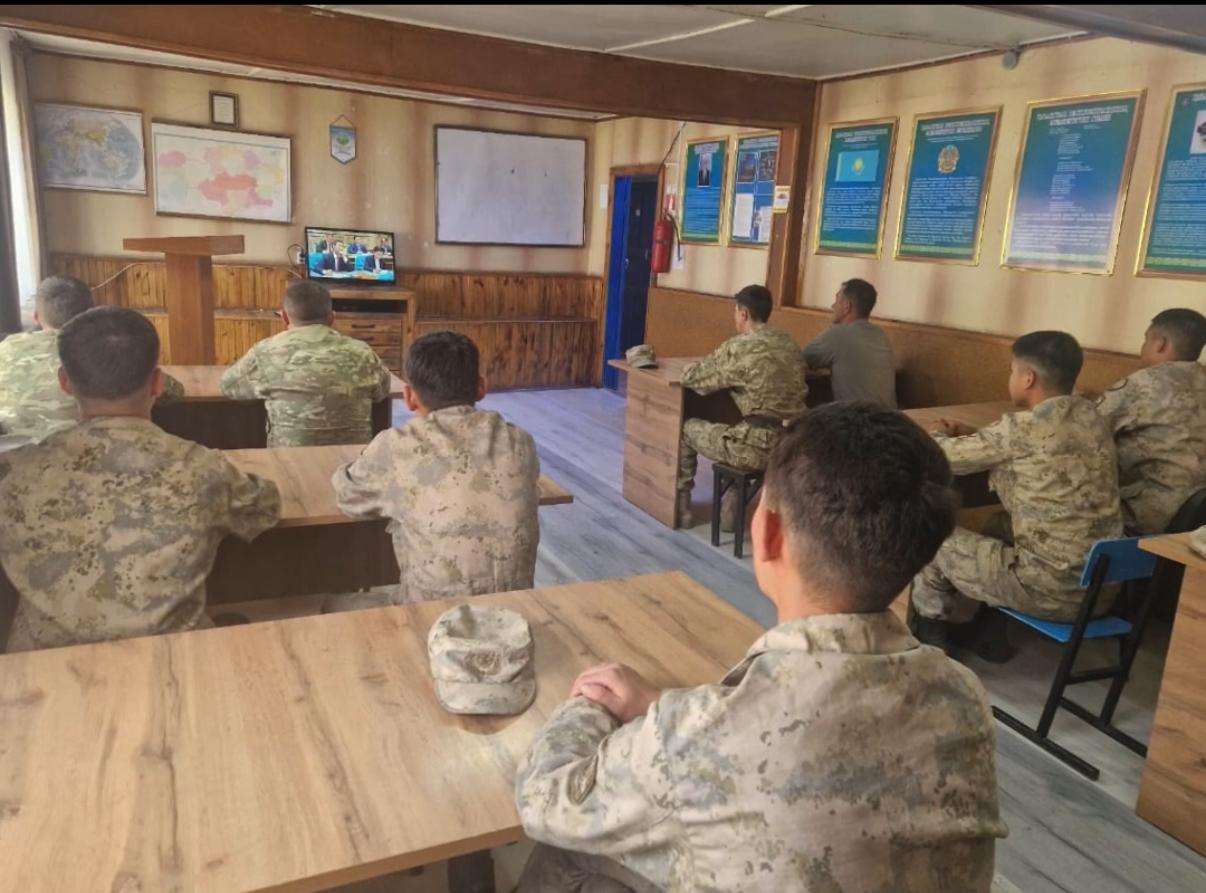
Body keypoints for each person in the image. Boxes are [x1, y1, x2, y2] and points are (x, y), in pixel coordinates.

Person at [514, 402, 1007, 892]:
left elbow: (544, 801)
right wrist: (664, 706)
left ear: (768, 533)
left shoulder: (697, 739)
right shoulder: (963, 697)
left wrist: (590, 705)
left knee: (571, 849)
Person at [0, 307, 280, 652]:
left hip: (44, 665)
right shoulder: (202, 468)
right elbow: (265, 510)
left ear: (64, 382)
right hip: (175, 660)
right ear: (158, 383)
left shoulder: (13, 472)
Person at [911, 331, 1123, 652]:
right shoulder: (1092, 417)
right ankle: (988, 635)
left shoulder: (1022, 428)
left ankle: (929, 641)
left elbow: (939, 458)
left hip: (1051, 594)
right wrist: (977, 435)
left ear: (1028, 378)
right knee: (999, 524)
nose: (1010, 377)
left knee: (933, 537)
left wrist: (938, 434)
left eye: (1012, 370)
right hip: (1102, 589)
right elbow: (1033, 446)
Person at [332, 330, 539, 605]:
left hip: (429, 614)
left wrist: (363, 459)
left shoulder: (396, 446)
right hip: (514, 610)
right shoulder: (519, 442)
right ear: (481, 387)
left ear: (409, 397)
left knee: (332, 604)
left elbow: (348, 498)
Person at [677, 284, 807, 529]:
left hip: (756, 446)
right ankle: (731, 511)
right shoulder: (789, 344)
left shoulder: (739, 347)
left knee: (685, 429)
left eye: (736, 312)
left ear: (743, 313)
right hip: (792, 444)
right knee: (738, 432)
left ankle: (680, 508)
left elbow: (695, 379)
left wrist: (688, 369)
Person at [0, 275, 183, 441]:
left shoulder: (6, 348)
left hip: (12, 453)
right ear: (91, 313)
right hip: (99, 449)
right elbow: (171, 390)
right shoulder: (98, 348)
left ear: (35, 316)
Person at [219, 280, 391, 447]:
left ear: (284, 318)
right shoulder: (362, 352)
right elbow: (382, 391)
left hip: (289, 461)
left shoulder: (265, 352)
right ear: (332, 318)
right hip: (354, 461)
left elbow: (229, 386)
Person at [1096, 308, 1206, 535]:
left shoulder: (1141, 384)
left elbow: (1083, 430)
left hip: (1147, 517)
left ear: (1160, 344)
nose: (1143, 348)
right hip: (1198, 523)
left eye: (1146, 340)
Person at [801, 277, 897, 408]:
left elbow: (796, 360)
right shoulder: (881, 335)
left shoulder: (837, 334)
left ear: (847, 306)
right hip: (890, 417)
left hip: (857, 418)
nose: (832, 306)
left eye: (836, 300)